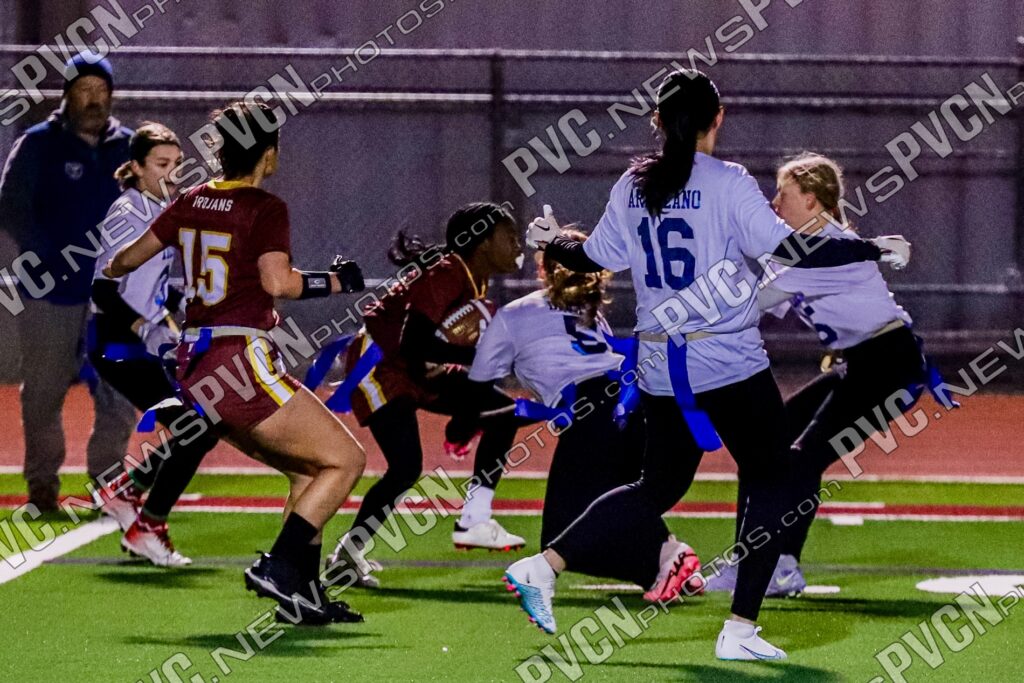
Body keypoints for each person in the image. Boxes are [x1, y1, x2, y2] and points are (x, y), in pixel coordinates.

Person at [509, 70, 911, 660]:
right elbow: (793, 247)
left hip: (660, 363)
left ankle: (543, 566)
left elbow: (594, 255)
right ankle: (740, 629)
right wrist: (871, 246)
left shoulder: (634, 183)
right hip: (724, 357)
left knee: (657, 485)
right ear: (716, 118)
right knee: (773, 476)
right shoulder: (728, 182)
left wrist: (554, 241)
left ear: (658, 120)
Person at [106, 101, 367, 625]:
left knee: (309, 471)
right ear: (268, 154)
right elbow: (279, 283)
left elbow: (121, 262)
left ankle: (303, 596)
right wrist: (340, 281)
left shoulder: (190, 200)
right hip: (240, 358)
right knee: (347, 460)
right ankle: (281, 566)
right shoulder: (264, 207)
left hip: (197, 364)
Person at [706, 152, 928, 596]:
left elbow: (753, 305)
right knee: (762, 449)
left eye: (783, 194)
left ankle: (782, 563)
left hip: (890, 365)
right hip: (860, 363)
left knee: (803, 458)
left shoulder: (826, 248)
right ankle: (749, 561)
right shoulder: (801, 248)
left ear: (811, 200)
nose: (774, 203)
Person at [469, 230, 703, 609]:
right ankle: (665, 565)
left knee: (561, 537)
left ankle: (665, 555)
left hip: (596, 412)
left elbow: (477, 383)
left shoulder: (515, 313)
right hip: (639, 404)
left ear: (542, 269)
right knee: (610, 505)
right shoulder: (592, 315)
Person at [325, 203, 526, 588]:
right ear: (483, 243)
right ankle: (347, 555)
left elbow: (431, 350)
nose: (518, 245)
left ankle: (474, 518)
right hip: (379, 364)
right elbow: (414, 342)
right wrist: (479, 358)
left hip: (413, 366)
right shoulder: (449, 272)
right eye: (509, 237)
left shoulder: (471, 278)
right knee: (406, 466)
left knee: (503, 410)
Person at [0, 52, 136, 510]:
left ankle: (108, 482)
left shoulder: (129, 148)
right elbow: (11, 207)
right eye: (83, 90)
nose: (93, 99)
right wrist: (48, 256)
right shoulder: (38, 144)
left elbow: (152, 211)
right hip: (50, 293)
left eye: (101, 91)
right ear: (67, 94)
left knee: (118, 390)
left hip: (114, 296)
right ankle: (42, 485)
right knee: (44, 390)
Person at [88, 122, 220, 566]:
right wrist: (145, 328)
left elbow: (152, 285)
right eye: (162, 164)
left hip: (137, 343)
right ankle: (147, 525)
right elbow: (103, 290)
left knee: (199, 425)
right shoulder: (128, 212)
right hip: (116, 344)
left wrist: (192, 305)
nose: (172, 173)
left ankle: (127, 493)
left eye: (177, 164)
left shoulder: (157, 208)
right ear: (137, 166)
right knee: (196, 430)